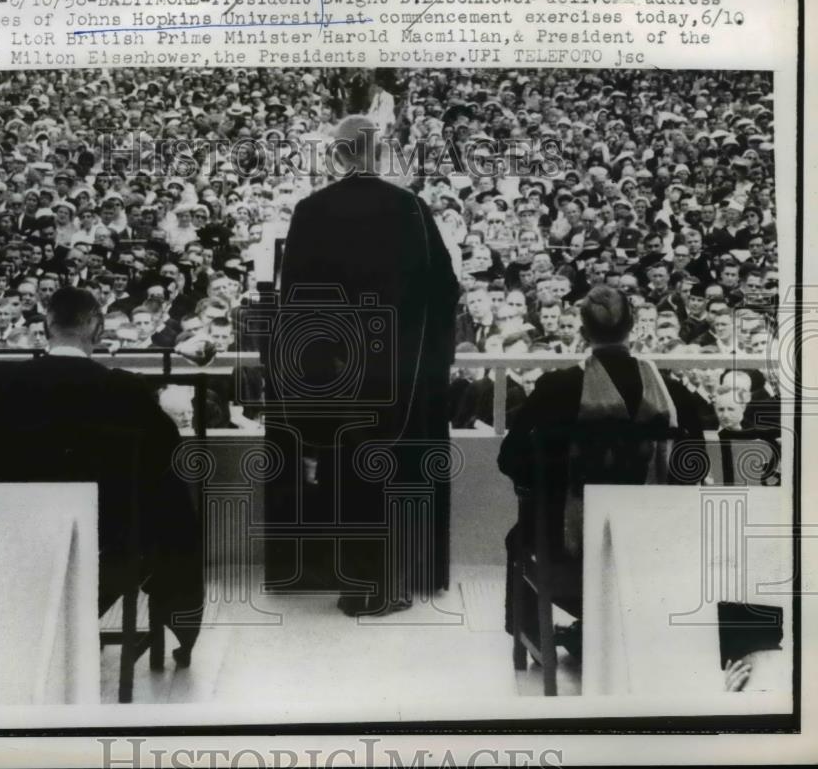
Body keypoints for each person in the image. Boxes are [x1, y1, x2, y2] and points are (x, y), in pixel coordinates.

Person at [0, 287, 203, 665]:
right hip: (105, 539)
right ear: (98, 330)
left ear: (46, 327)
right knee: (163, 514)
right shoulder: (124, 390)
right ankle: (88, 621)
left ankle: (27, 625)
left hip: (11, 533)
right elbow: (165, 459)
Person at [275, 116, 460, 616]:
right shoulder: (412, 210)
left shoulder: (311, 212)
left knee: (345, 475)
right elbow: (444, 292)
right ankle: (388, 583)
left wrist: (316, 369)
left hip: (337, 372)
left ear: (338, 154)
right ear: (378, 154)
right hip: (400, 373)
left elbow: (294, 302)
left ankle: (352, 581)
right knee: (394, 475)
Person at [498, 286, 705, 650]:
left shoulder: (556, 388)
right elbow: (695, 464)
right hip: (651, 542)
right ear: (634, 326)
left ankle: (533, 635)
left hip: (567, 548)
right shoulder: (673, 394)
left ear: (582, 331)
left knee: (520, 537)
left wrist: (546, 484)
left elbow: (510, 457)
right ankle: (623, 627)